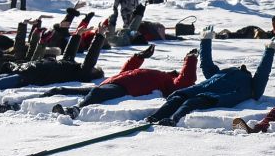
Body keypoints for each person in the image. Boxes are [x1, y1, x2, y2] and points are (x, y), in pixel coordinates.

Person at [146, 31, 275, 126]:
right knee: (177, 98)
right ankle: (154, 117)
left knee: (191, 102)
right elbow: (207, 65)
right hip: (199, 89)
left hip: (217, 97)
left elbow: (263, 72)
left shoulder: (253, 87)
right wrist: (205, 40)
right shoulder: (221, 73)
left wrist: (269, 50)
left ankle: (174, 120)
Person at [53, 44, 199, 117]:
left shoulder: (170, 84)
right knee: (61, 89)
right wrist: (139, 57)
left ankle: (75, 110)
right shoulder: (162, 75)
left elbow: (186, 80)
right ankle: (47, 95)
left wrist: (191, 60)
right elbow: (126, 72)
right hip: (114, 82)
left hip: (125, 88)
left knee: (96, 92)